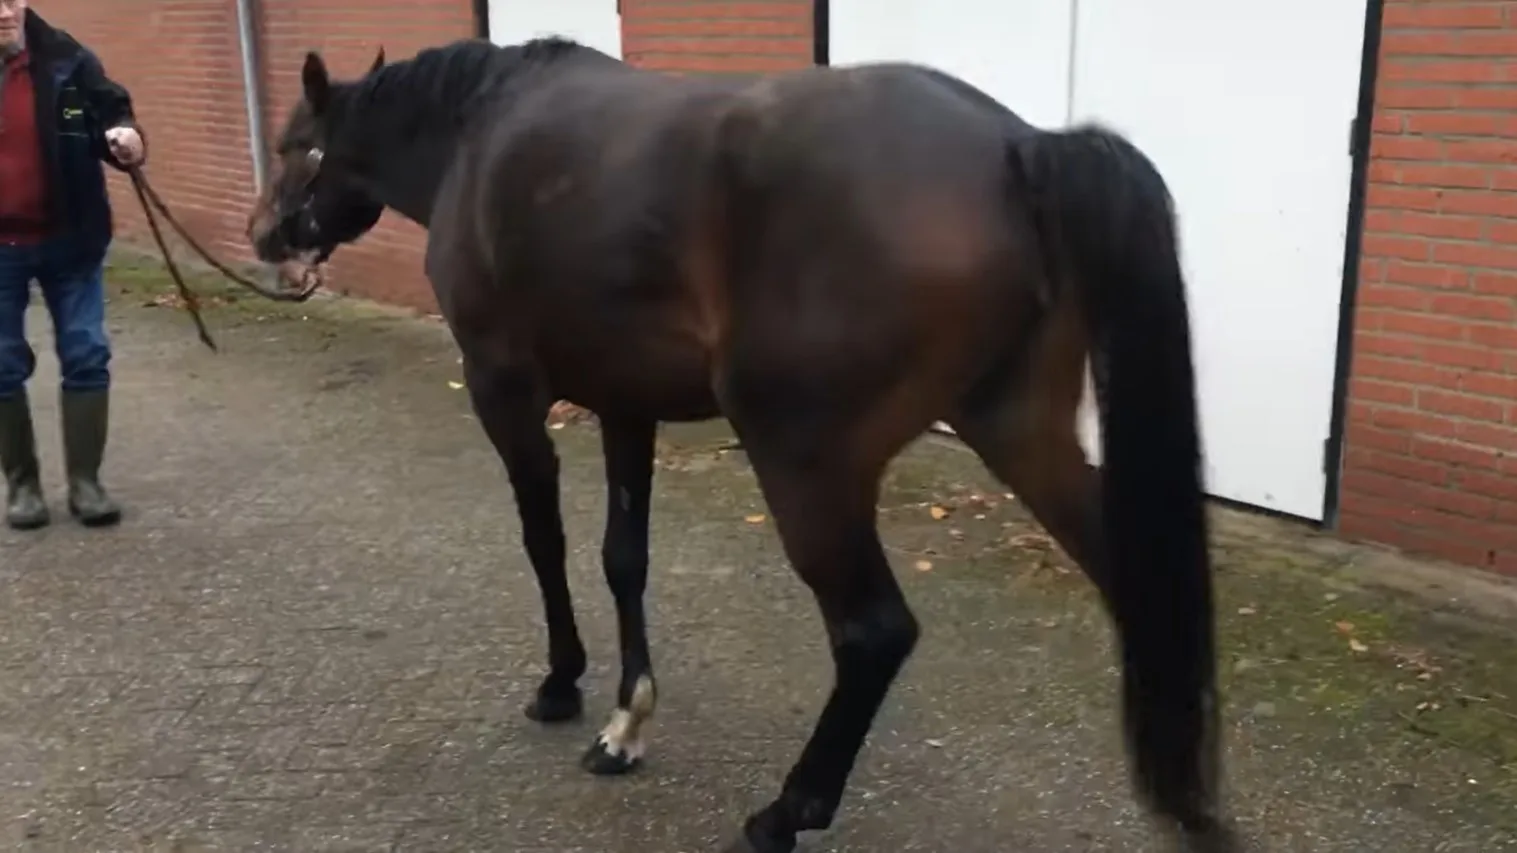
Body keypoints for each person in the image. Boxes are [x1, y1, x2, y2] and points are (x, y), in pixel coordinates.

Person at [0, 0, 145, 530]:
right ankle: (23, 487)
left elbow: (111, 112)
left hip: (70, 237)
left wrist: (125, 138)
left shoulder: (67, 59)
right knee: (1, 363)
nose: (3, 12)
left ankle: (86, 483)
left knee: (86, 351)